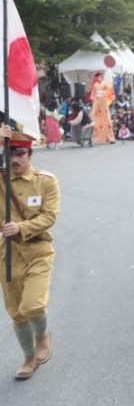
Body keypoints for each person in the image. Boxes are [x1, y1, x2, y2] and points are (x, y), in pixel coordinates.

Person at [0, 122, 61, 380]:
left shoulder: (45, 182)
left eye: (20, 153)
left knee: (32, 306)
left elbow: (49, 216)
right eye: (10, 153)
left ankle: (43, 336)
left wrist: (21, 226)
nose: (15, 159)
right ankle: (28, 357)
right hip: (8, 255)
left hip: (38, 251)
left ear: (30, 154)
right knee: (16, 313)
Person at [88, 72, 115, 144]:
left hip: (103, 101)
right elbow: (93, 94)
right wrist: (93, 102)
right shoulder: (95, 84)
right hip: (97, 102)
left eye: (101, 77)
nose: (100, 78)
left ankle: (110, 137)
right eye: (99, 77)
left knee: (107, 119)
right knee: (94, 117)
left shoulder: (104, 83)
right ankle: (94, 137)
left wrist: (112, 86)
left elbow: (109, 89)